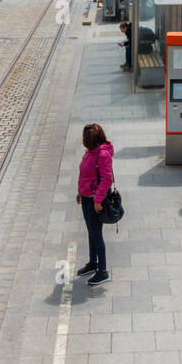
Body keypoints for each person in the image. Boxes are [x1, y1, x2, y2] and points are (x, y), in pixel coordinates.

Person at [76, 123, 114, 286]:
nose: (83, 141)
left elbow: (106, 180)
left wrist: (98, 200)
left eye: (85, 138)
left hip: (94, 200)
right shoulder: (90, 152)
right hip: (86, 197)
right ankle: (93, 263)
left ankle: (103, 271)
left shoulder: (102, 155)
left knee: (96, 234)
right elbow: (84, 174)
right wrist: (80, 191)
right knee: (91, 232)